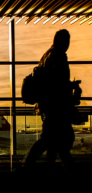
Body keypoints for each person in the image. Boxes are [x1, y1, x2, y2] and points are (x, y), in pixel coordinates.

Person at [23, 29, 81, 171]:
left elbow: (51, 82)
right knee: (58, 141)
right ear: (64, 41)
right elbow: (58, 84)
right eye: (67, 41)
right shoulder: (59, 56)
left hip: (48, 106)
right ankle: (27, 166)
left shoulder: (46, 55)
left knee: (52, 141)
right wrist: (72, 89)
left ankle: (33, 166)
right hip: (57, 107)